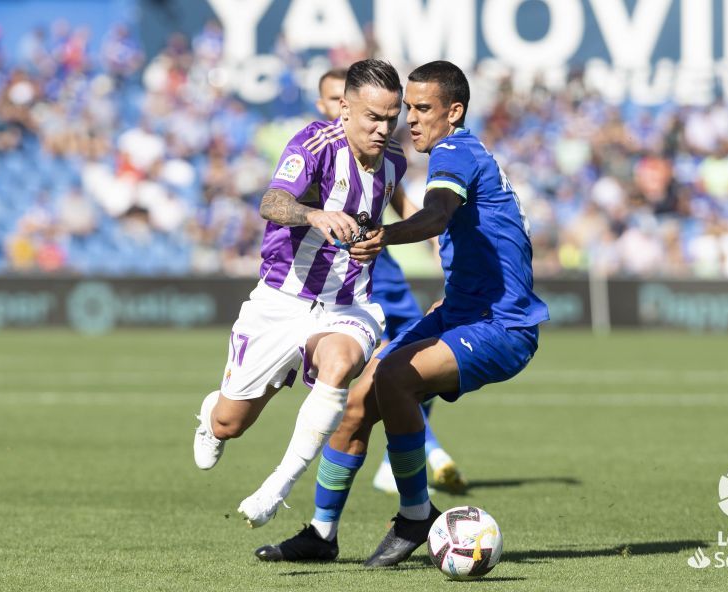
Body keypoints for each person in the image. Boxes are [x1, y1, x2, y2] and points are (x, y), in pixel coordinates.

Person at [254, 61, 549, 566]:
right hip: (464, 310)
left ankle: (415, 514)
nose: (409, 120)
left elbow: (435, 215)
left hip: (502, 325)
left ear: (453, 112)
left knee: (393, 379)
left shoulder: (455, 150)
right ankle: (322, 534)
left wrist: (384, 235)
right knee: (359, 395)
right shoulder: (460, 154)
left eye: (423, 108)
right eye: (406, 108)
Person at [191, 59, 407, 527]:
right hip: (280, 301)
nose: (384, 128)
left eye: (393, 117)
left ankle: (278, 486)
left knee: (341, 362)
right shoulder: (314, 144)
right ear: (345, 110)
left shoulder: (395, 162)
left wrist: (373, 241)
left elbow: (374, 219)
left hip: (348, 304)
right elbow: (272, 202)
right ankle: (212, 417)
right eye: (373, 117)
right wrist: (315, 216)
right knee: (232, 422)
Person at [316, 67, 468, 495]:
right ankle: (427, 453)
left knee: (420, 359)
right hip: (347, 277)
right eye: (331, 102)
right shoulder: (318, 153)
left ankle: (396, 460)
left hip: (386, 269)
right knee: (390, 368)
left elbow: (398, 197)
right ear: (332, 106)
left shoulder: (383, 152)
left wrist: (432, 235)